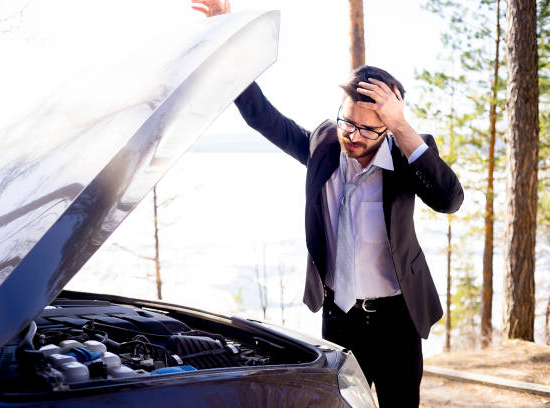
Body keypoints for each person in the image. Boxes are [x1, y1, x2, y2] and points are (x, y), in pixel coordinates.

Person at [193, 2, 464, 407]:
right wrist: (226, 35)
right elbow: (261, 117)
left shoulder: (406, 156)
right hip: (340, 318)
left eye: (367, 129)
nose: (351, 136)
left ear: (388, 127)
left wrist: (403, 128)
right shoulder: (323, 144)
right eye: (347, 121)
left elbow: (449, 199)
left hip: (396, 320)